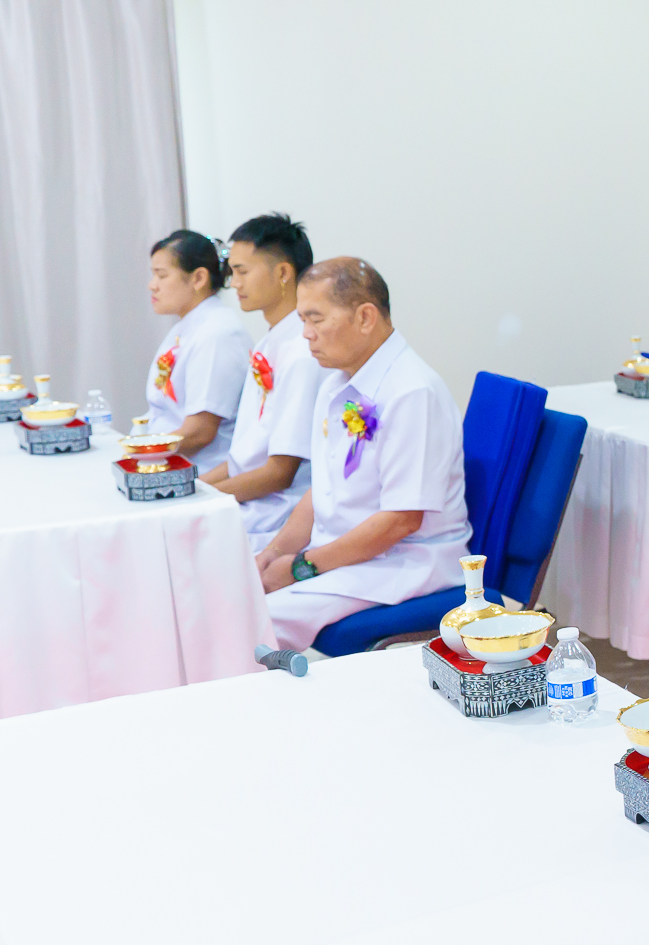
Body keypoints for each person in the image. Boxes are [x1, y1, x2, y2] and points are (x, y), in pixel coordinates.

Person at [257, 259, 470, 651]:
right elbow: (319, 492)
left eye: (316, 319)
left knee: (254, 622)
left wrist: (302, 567)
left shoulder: (411, 392)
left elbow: (400, 521)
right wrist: (272, 554)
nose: (306, 334)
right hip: (346, 557)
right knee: (240, 593)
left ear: (366, 317)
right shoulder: (337, 382)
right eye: (302, 320)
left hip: (405, 564)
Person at [201, 214, 320, 550]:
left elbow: (279, 474)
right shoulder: (273, 341)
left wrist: (198, 498)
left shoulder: (302, 351)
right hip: (252, 498)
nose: (233, 283)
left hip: (278, 511)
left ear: (283, 273)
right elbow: (246, 456)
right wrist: (191, 486)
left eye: (242, 271)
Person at [145, 230, 252, 473]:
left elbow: (199, 432)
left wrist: (142, 452)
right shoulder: (188, 327)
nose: (152, 286)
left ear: (199, 278)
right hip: (173, 461)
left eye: (161, 275)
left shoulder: (217, 334)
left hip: (200, 471)